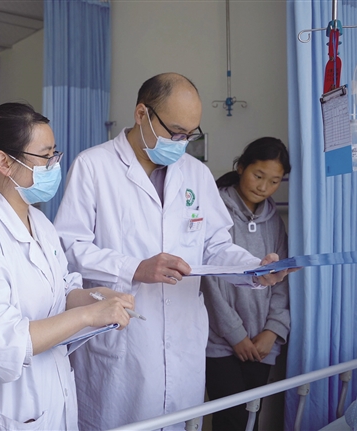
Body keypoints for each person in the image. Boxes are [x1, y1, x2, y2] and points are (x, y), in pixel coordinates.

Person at [53, 73, 293, 430]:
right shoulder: (94, 166)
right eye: (176, 132)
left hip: (183, 340)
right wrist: (135, 268)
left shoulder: (196, 174)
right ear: (142, 114)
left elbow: (215, 246)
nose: (182, 144)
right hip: (123, 340)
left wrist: (254, 269)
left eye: (190, 135)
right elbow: (69, 247)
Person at [0, 102, 135, 430]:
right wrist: (86, 316)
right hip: (4, 412)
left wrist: (97, 297)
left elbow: (62, 290)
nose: (54, 165)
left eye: (55, 154)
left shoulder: (40, 223)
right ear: (4, 162)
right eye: (45, 156)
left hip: (51, 399)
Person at [201, 137, 291, 431]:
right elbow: (209, 280)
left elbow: (281, 280)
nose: (264, 187)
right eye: (258, 175)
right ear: (241, 167)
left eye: (274, 181)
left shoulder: (274, 222)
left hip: (262, 343)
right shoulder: (214, 211)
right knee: (231, 420)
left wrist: (273, 330)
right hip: (220, 342)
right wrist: (235, 335)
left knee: (251, 420)